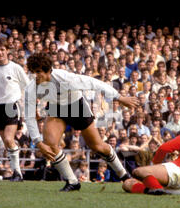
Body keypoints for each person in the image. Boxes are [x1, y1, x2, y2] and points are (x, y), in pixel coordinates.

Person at [25, 52, 137, 192]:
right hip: (56, 109)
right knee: (50, 145)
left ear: (48, 70)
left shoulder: (65, 78)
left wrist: (119, 97)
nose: (35, 76)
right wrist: (38, 142)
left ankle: (124, 175)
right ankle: (72, 181)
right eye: (33, 72)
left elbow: (93, 83)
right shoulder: (31, 87)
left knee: (97, 146)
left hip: (77, 106)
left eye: (38, 72)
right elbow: (29, 116)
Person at [0, 39, 30, 182]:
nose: (0, 53)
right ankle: (16, 173)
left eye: (3, 50)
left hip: (11, 106)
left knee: (9, 139)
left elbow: (27, 86)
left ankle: (17, 173)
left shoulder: (16, 68)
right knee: (7, 144)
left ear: (7, 51)